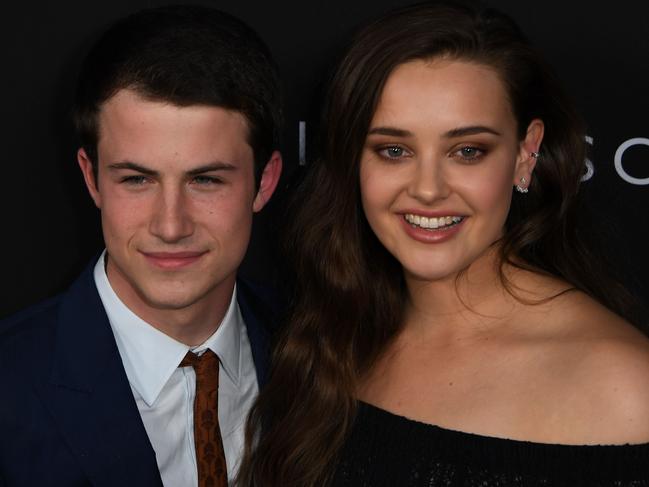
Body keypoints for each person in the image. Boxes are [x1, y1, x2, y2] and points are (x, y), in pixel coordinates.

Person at [239, 2, 649, 486]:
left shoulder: (625, 387)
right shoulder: (333, 338)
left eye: (467, 151)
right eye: (394, 150)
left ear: (525, 153)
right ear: (354, 161)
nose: (428, 189)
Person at [0, 5, 282, 486]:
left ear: (264, 182)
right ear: (91, 179)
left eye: (206, 180)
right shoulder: (9, 388)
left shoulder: (326, 350)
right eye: (136, 179)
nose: (170, 226)